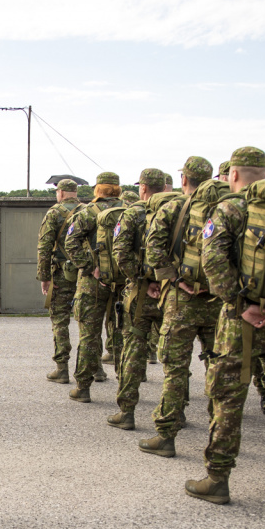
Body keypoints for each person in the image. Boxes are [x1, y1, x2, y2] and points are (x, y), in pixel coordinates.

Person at [184, 147, 265, 504]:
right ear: (264, 174)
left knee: (228, 399)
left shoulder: (230, 208)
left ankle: (218, 479)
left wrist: (240, 305)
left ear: (232, 174)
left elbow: (212, 259)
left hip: (240, 322)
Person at [140, 156, 219, 457]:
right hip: (217, 303)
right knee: (218, 368)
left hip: (181, 302)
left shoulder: (173, 208)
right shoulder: (229, 208)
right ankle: (218, 436)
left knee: (175, 369)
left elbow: (153, 248)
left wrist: (172, 278)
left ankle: (167, 435)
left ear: (184, 180)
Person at [109, 168, 173, 430]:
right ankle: (175, 413)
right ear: (165, 188)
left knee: (133, 349)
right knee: (175, 357)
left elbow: (120, 252)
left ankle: (126, 412)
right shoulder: (179, 210)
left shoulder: (133, 213)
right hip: (174, 292)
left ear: (143, 188)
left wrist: (140, 280)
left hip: (142, 294)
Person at [63, 172, 125, 401]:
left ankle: (83, 388)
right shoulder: (131, 211)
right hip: (123, 283)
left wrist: (90, 267)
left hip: (92, 283)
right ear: (118, 189)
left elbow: (70, 242)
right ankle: (126, 389)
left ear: (98, 189)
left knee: (89, 335)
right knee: (123, 335)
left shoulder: (89, 211)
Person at [37, 179, 84, 383]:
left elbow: (44, 247)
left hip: (61, 275)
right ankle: (96, 369)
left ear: (62, 192)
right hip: (85, 274)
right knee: (89, 323)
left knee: (60, 320)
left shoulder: (54, 213)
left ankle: (62, 368)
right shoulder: (88, 211)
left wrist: (44, 277)